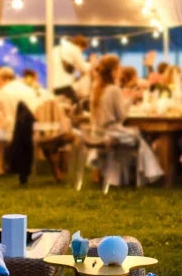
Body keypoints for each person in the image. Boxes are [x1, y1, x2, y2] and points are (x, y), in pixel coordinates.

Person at [90, 55, 160, 185]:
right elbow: (121, 116)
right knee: (139, 135)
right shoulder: (113, 89)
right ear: (113, 72)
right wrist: (131, 98)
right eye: (119, 68)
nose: (120, 71)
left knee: (138, 134)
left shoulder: (96, 88)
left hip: (96, 133)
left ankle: (128, 176)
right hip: (110, 134)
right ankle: (145, 175)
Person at [52, 35, 90, 104]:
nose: (81, 52)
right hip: (65, 85)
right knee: (76, 108)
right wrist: (92, 65)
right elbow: (84, 68)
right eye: (83, 50)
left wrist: (77, 75)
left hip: (53, 86)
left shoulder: (56, 49)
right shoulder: (74, 49)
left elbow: (75, 72)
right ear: (80, 45)